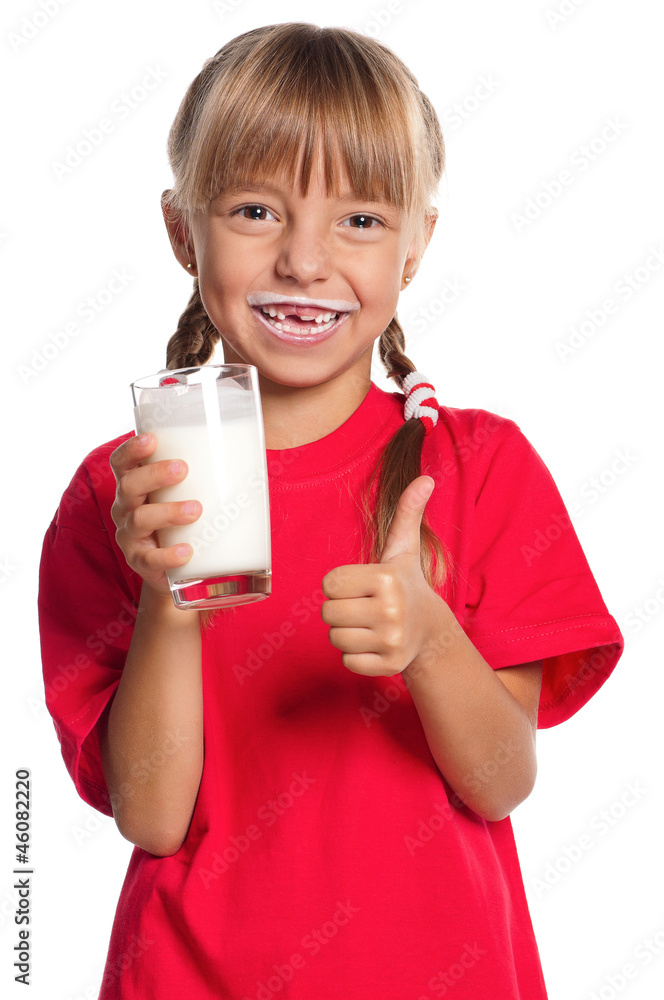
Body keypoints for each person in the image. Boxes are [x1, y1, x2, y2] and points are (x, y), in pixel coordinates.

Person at [38, 22, 624, 1000]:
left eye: (357, 220)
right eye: (257, 210)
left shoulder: (479, 469)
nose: (304, 261)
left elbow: (501, 779)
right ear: (184, 231)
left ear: (415, 245)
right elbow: (150, 815)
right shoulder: (121, 494)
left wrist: (431, 641)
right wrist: (167, 601)